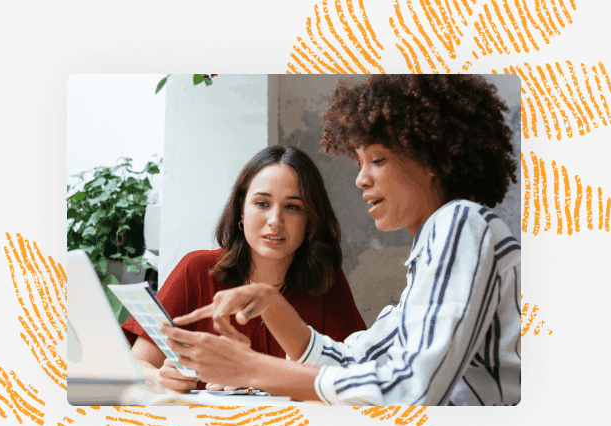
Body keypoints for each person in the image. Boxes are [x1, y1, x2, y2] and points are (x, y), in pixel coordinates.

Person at [159, 74, 521, 406]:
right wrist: (272, 305)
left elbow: (411, 390)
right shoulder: (432, 257)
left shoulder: (459, 224)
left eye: (377, 160)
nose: (361, 179)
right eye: (359, 163)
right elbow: (355, 359)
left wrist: (251, 369)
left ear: (431, 159)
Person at [121, 145, 366, 393]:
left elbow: (356, 377)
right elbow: (136, 363)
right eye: (262, 203)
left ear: (310, 220)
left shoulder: (325, 280)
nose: (275, 220)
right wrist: (159, 377)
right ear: (241, 210)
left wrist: (258, 377)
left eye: (292, 207)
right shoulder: (195, 270)